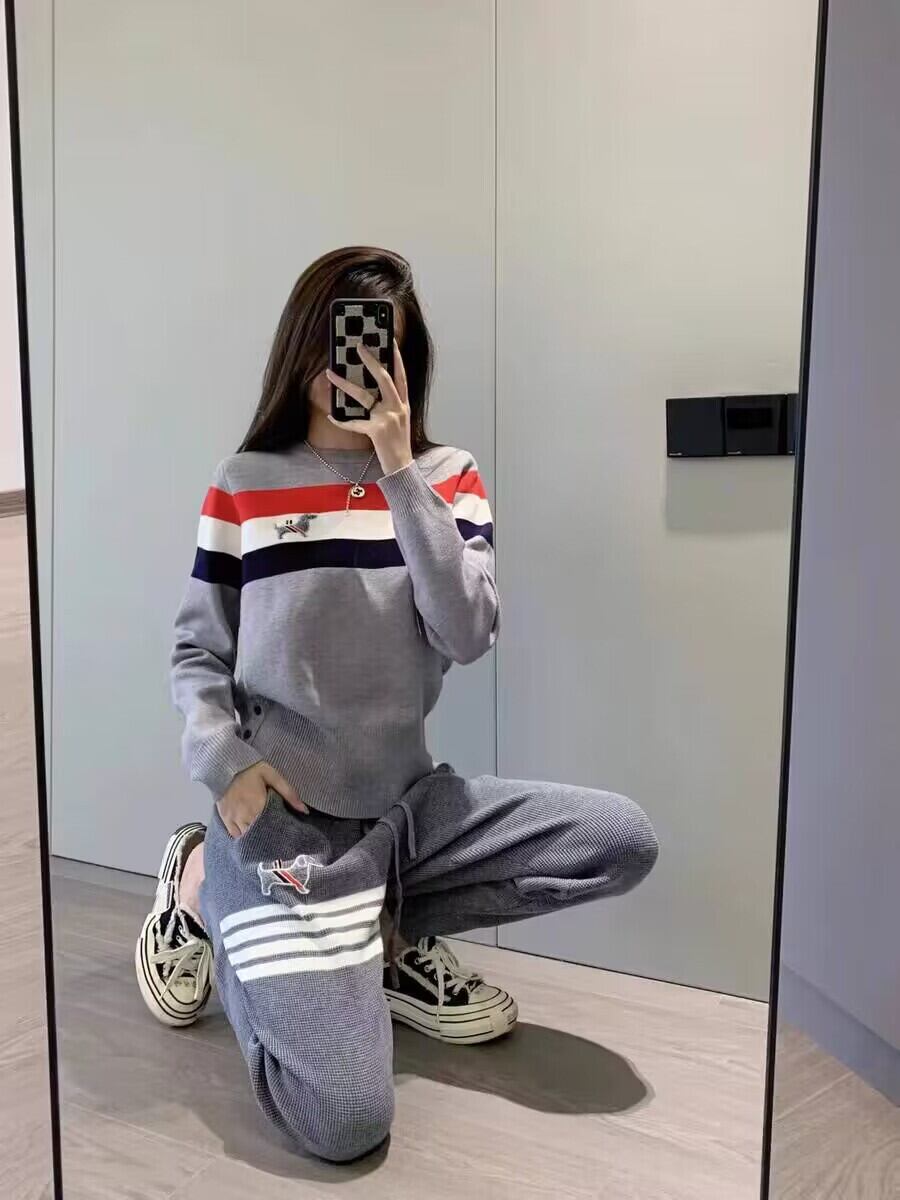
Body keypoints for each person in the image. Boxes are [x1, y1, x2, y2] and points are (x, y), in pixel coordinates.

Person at [134, 246, 658, 1162]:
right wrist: (226, 765)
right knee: (344, 1121)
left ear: (405, 361)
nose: (355, 365)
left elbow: (467, 632)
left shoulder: (446, 476)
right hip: (285, 831)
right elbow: (196, 649)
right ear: (302, 346)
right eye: (339, 340)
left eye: (381, 346)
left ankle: (379, 930)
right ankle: (205, 889)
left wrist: (398, 470)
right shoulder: (246, 482)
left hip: (407, 818)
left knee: (619, 838)